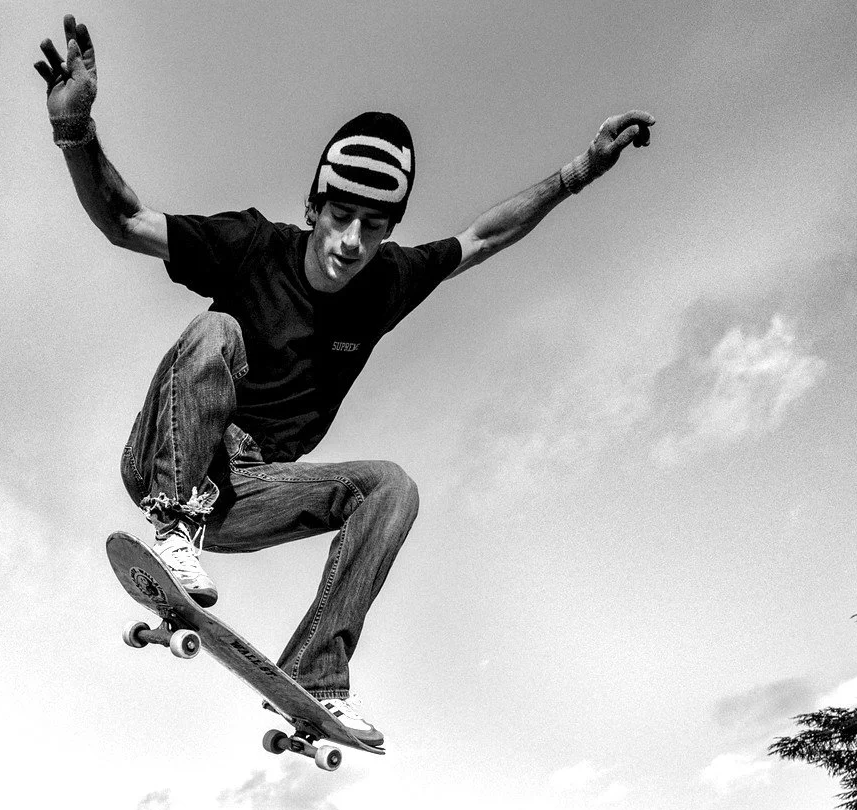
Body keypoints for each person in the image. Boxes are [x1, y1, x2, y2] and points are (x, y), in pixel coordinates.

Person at [34, 16, 654, 747]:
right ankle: (175, 520)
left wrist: (576, 173)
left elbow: (483, 237)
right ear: (312, 209)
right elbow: (127, 220)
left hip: (252, 492)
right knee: (218, 330)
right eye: (340, 218)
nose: (352, 242)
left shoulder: (387, 280)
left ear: (389, 230)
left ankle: (318, 671)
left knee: (392, 484)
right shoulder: (251, 246)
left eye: (373, 225)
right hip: (171, 455)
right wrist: (76, 131)